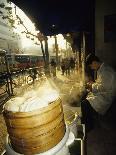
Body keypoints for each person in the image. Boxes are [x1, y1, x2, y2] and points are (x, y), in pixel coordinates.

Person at [81, 53, 116, 132]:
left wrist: (92, 86)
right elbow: (101, 84)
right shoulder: (101, 69)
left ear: (94, 62)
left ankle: (89, 126)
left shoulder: (107, 71)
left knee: (84, 105)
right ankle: (87, 122)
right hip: (101, 95)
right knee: (84, 97)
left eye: (91, 66)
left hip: (105, 98)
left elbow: (104, 87)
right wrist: (92, 84)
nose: (92, 68)